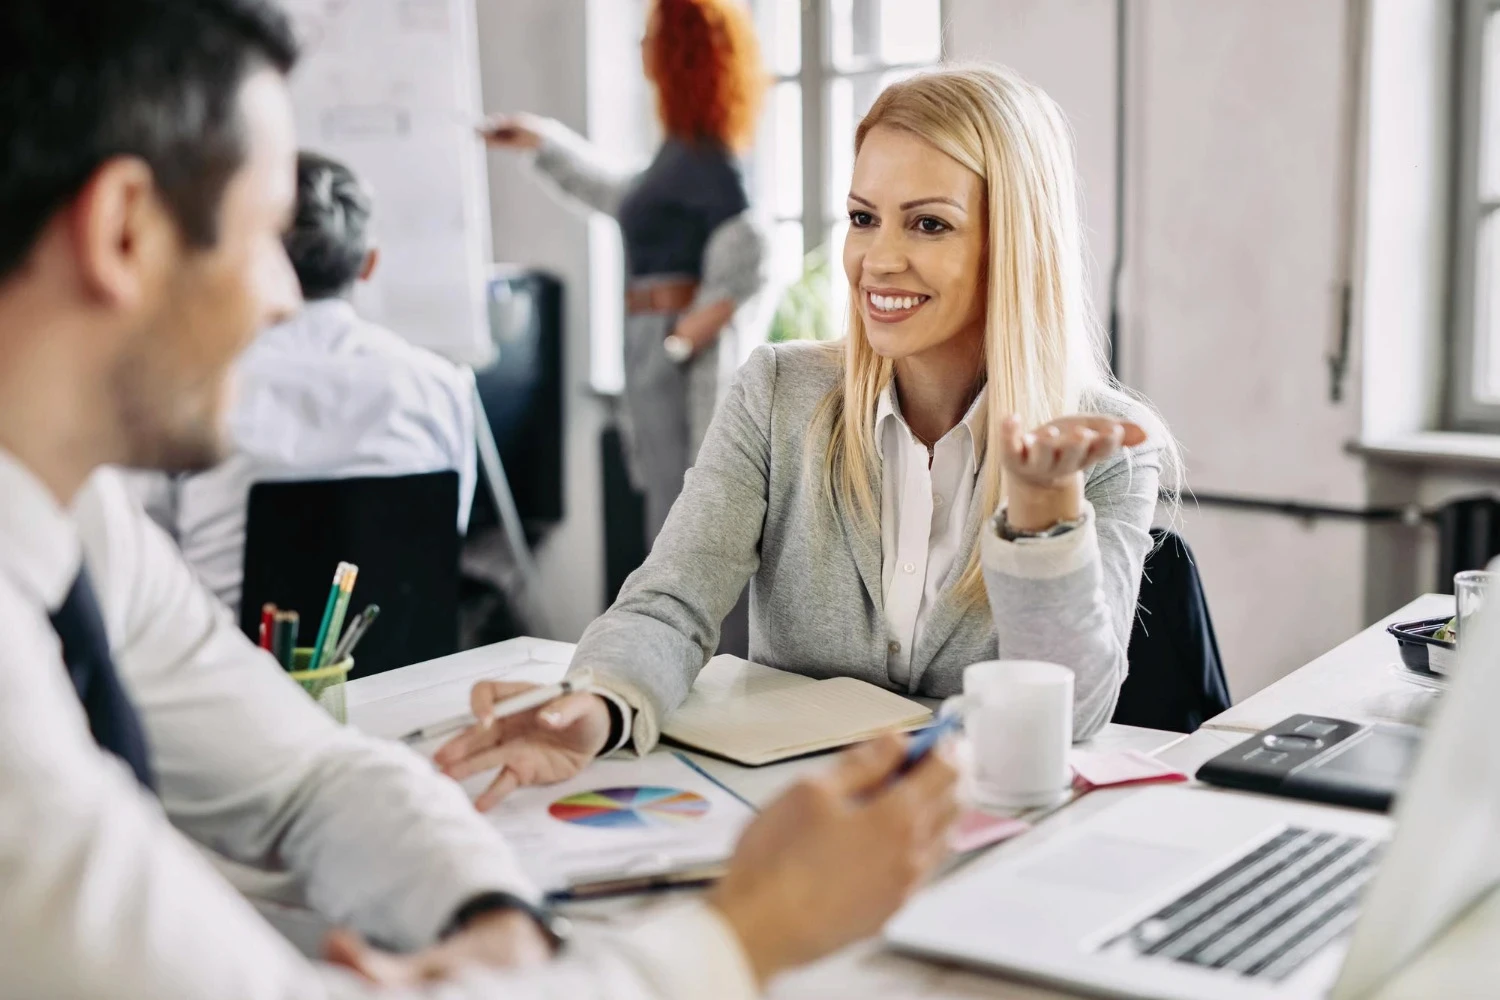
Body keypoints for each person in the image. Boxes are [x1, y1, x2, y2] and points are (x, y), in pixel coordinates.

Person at [0, 3, 959, 998]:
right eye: (262, 230)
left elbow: (310, 773)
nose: (290, 293)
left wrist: (489, 922)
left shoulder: (80, 522)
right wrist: (743, 935)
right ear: (122, 232)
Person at [437, 65, 1180, 810]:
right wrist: (598, 705)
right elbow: (671, 604)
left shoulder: (1105, 448)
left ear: (1012, 244)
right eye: (863, 217)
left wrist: (1044, 516)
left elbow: (1078, 719)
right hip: (794, 831)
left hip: (985, 841)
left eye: (928, 223)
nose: (878, 260)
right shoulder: (778, 393)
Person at [133, 150, 477, 615]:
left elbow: (143, 564)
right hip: (404, 673)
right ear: (368, 264)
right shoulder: (442, 387)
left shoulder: (186, 387)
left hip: (228, 669)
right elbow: (442, 538)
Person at [481, 0, 769, 545]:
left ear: (680, 52)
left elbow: (753, 245)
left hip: (671, 349)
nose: (641, 46)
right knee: (667, 512)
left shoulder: (708, 160)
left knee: (692, 518)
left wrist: (686, 338)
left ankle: (698, 634)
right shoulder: (677, 153)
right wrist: (541, 141)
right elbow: (622, 195)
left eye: (651, 35)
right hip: (653, 343)